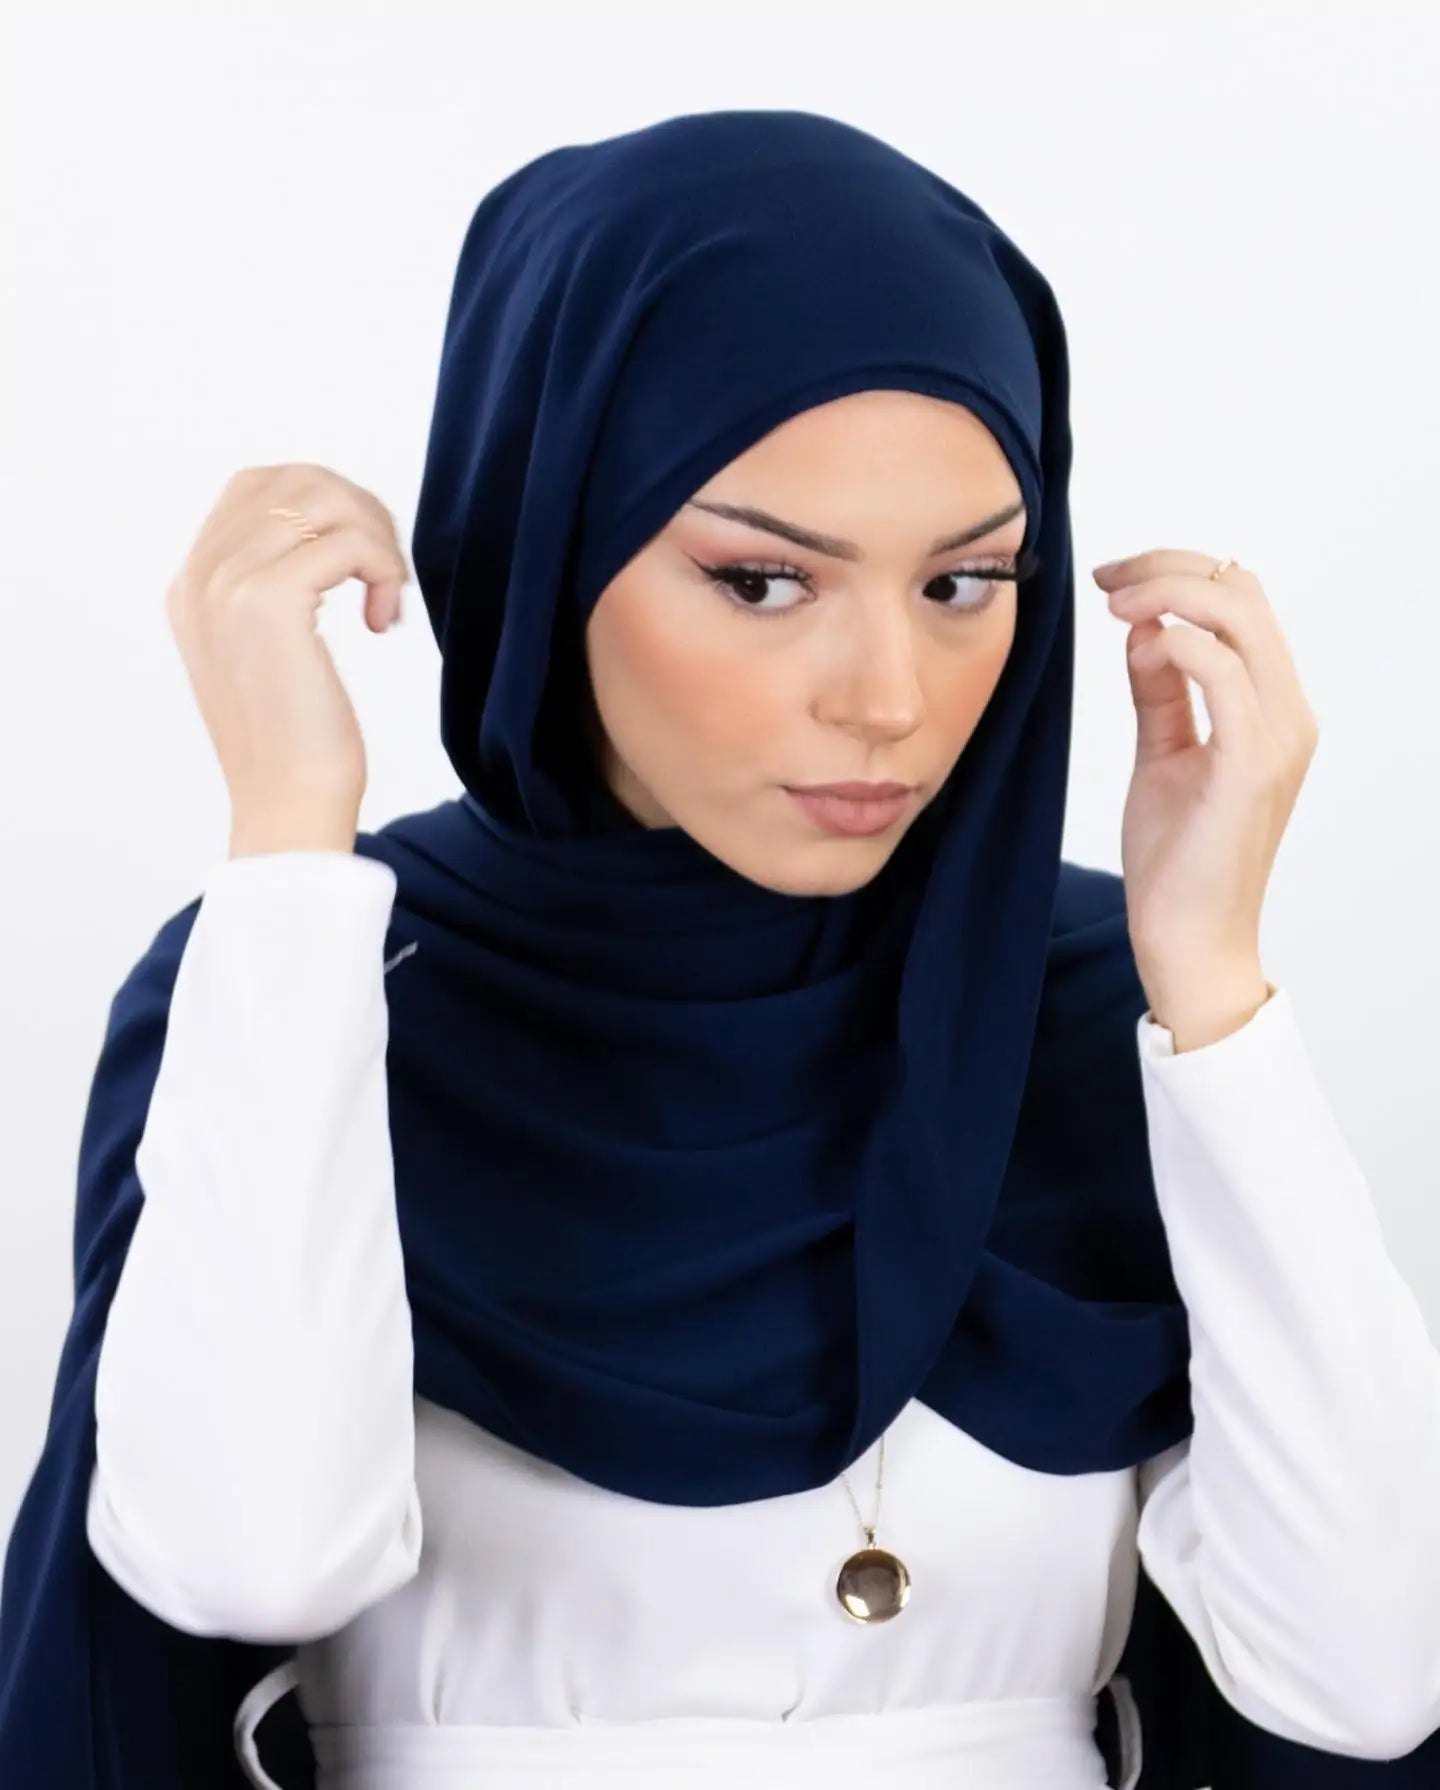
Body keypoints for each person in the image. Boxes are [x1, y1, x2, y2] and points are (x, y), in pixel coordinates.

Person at [4, 107, 1440, 1790]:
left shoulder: (1094, 1005)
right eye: (764, 581)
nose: (889, 699)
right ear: (547, 537)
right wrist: (288, 842)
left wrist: (1212, 988)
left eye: (964, 583)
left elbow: (1370, 1676)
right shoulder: (310, 983)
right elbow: (246, 1565)